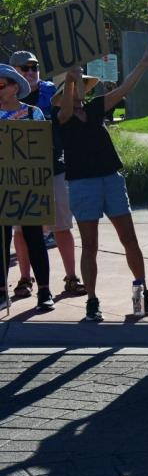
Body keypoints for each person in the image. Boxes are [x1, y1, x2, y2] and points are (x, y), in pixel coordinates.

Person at [54, 57, 148, 321]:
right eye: (72, 87)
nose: (77, 91)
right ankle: (92, 300)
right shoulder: (60, 117)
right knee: (90, 245)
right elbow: (66, 111)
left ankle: (143, 290)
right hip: (82, 184)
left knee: (129, 239)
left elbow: (123, 90)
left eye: (80, 86)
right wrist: (70, 80)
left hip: (110, 178)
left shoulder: (96, 107)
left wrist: (143, 64)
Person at [12, 51, 85, 297]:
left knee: (62, 225)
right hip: (21, 174)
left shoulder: (51, 92)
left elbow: (67, 115)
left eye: (34, 67)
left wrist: (74, 81)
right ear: (14, 73)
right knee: (21, 230)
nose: (31, 72)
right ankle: (24, 278)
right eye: (25, 68)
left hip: (54, 168)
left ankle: (72, 276)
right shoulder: (6, 99)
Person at [0, 63, 53, 311]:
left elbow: (43, 150)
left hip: (30, 189)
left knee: (35, 238)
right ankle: (2, 290)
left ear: (14, 87)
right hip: (2, 189)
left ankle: (44, 291)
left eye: (1, 85)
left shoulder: (33, 114)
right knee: (1, 240)